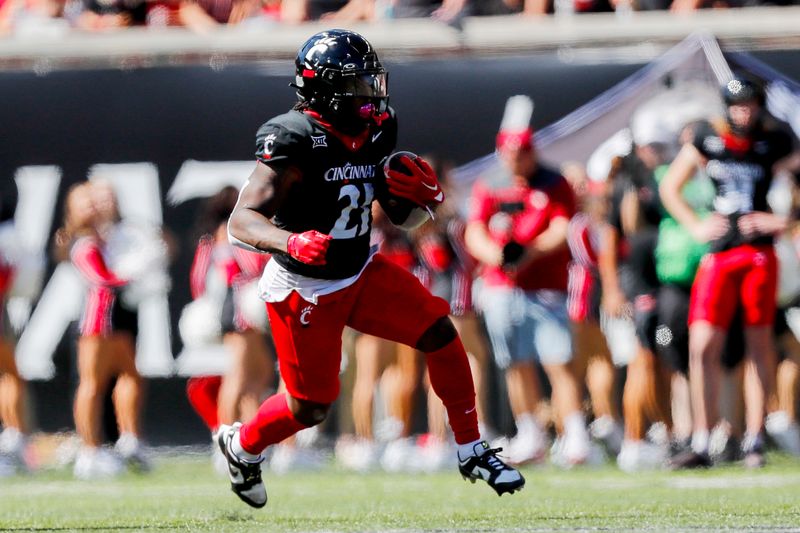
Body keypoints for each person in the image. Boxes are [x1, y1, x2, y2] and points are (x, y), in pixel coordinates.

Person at [216, 29, 523, 508]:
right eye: (355, 85)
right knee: (309, 406)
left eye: (369, 81)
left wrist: (422, 204)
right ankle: (242, 446)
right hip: (306, 286)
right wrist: (291, 240)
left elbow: (393, 212)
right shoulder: (293, 137)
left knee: (441, 333)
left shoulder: (379, 127)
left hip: (360, 269)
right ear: (322, 90)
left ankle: (471, 448)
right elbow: (242, 220)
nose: (369, 95)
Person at [661, 74, 797, 468]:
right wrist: (696, 224)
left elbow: (794, 185)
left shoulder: (775, 141)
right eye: (738, 104)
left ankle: (754, 437)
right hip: (720, 250)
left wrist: (782, 221)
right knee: (702, 343)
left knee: (759, 343)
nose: (744, 111)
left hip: (758, 252)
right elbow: (671, 187)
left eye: (750, 104)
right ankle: (702, 438)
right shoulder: (708, 137)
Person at [465, 99, 591, 467]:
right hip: (502, 287)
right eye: (511, 153)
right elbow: (475, 229)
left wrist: (530, 251)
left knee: (557, 360)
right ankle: (530, 432)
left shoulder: (553, 183)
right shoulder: (490, 184)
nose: (517, 160)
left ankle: (575, 433)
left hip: (544, 287)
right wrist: (497, 256)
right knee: (515, 361)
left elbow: (562, 226)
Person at [57, 182, 149, 479]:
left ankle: (125, 441)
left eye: (94, 202)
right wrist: (133, 277)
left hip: (112, 321)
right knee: (92, 384)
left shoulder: (103, 238)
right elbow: (100, 279)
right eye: (85, 204)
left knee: (128, 375)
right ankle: (89, 450)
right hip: (96, 321)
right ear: (73, 210)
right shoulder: (81, 242)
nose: (93, 207)